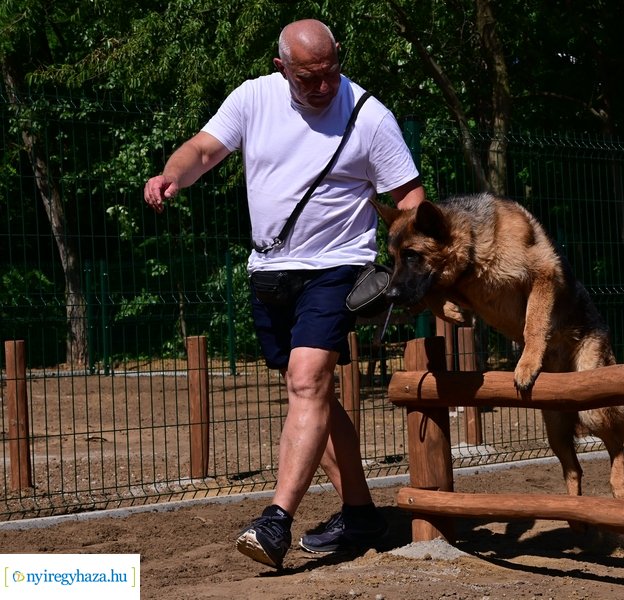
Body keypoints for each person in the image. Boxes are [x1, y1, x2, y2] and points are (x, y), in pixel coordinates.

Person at [143, 19, 424, 569]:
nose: (322, 87)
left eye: (330, 74)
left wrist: (404, 270)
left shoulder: (370, 117)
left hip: (335, 267)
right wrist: (170, 175)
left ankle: (275, 519)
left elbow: (410, 197)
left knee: (306, 380)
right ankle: (362, 514)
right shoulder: (254, 98)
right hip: (270, 270)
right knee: (313, 397)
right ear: (282, 69)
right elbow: (203, 150)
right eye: (307, 78)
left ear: (339, 60)